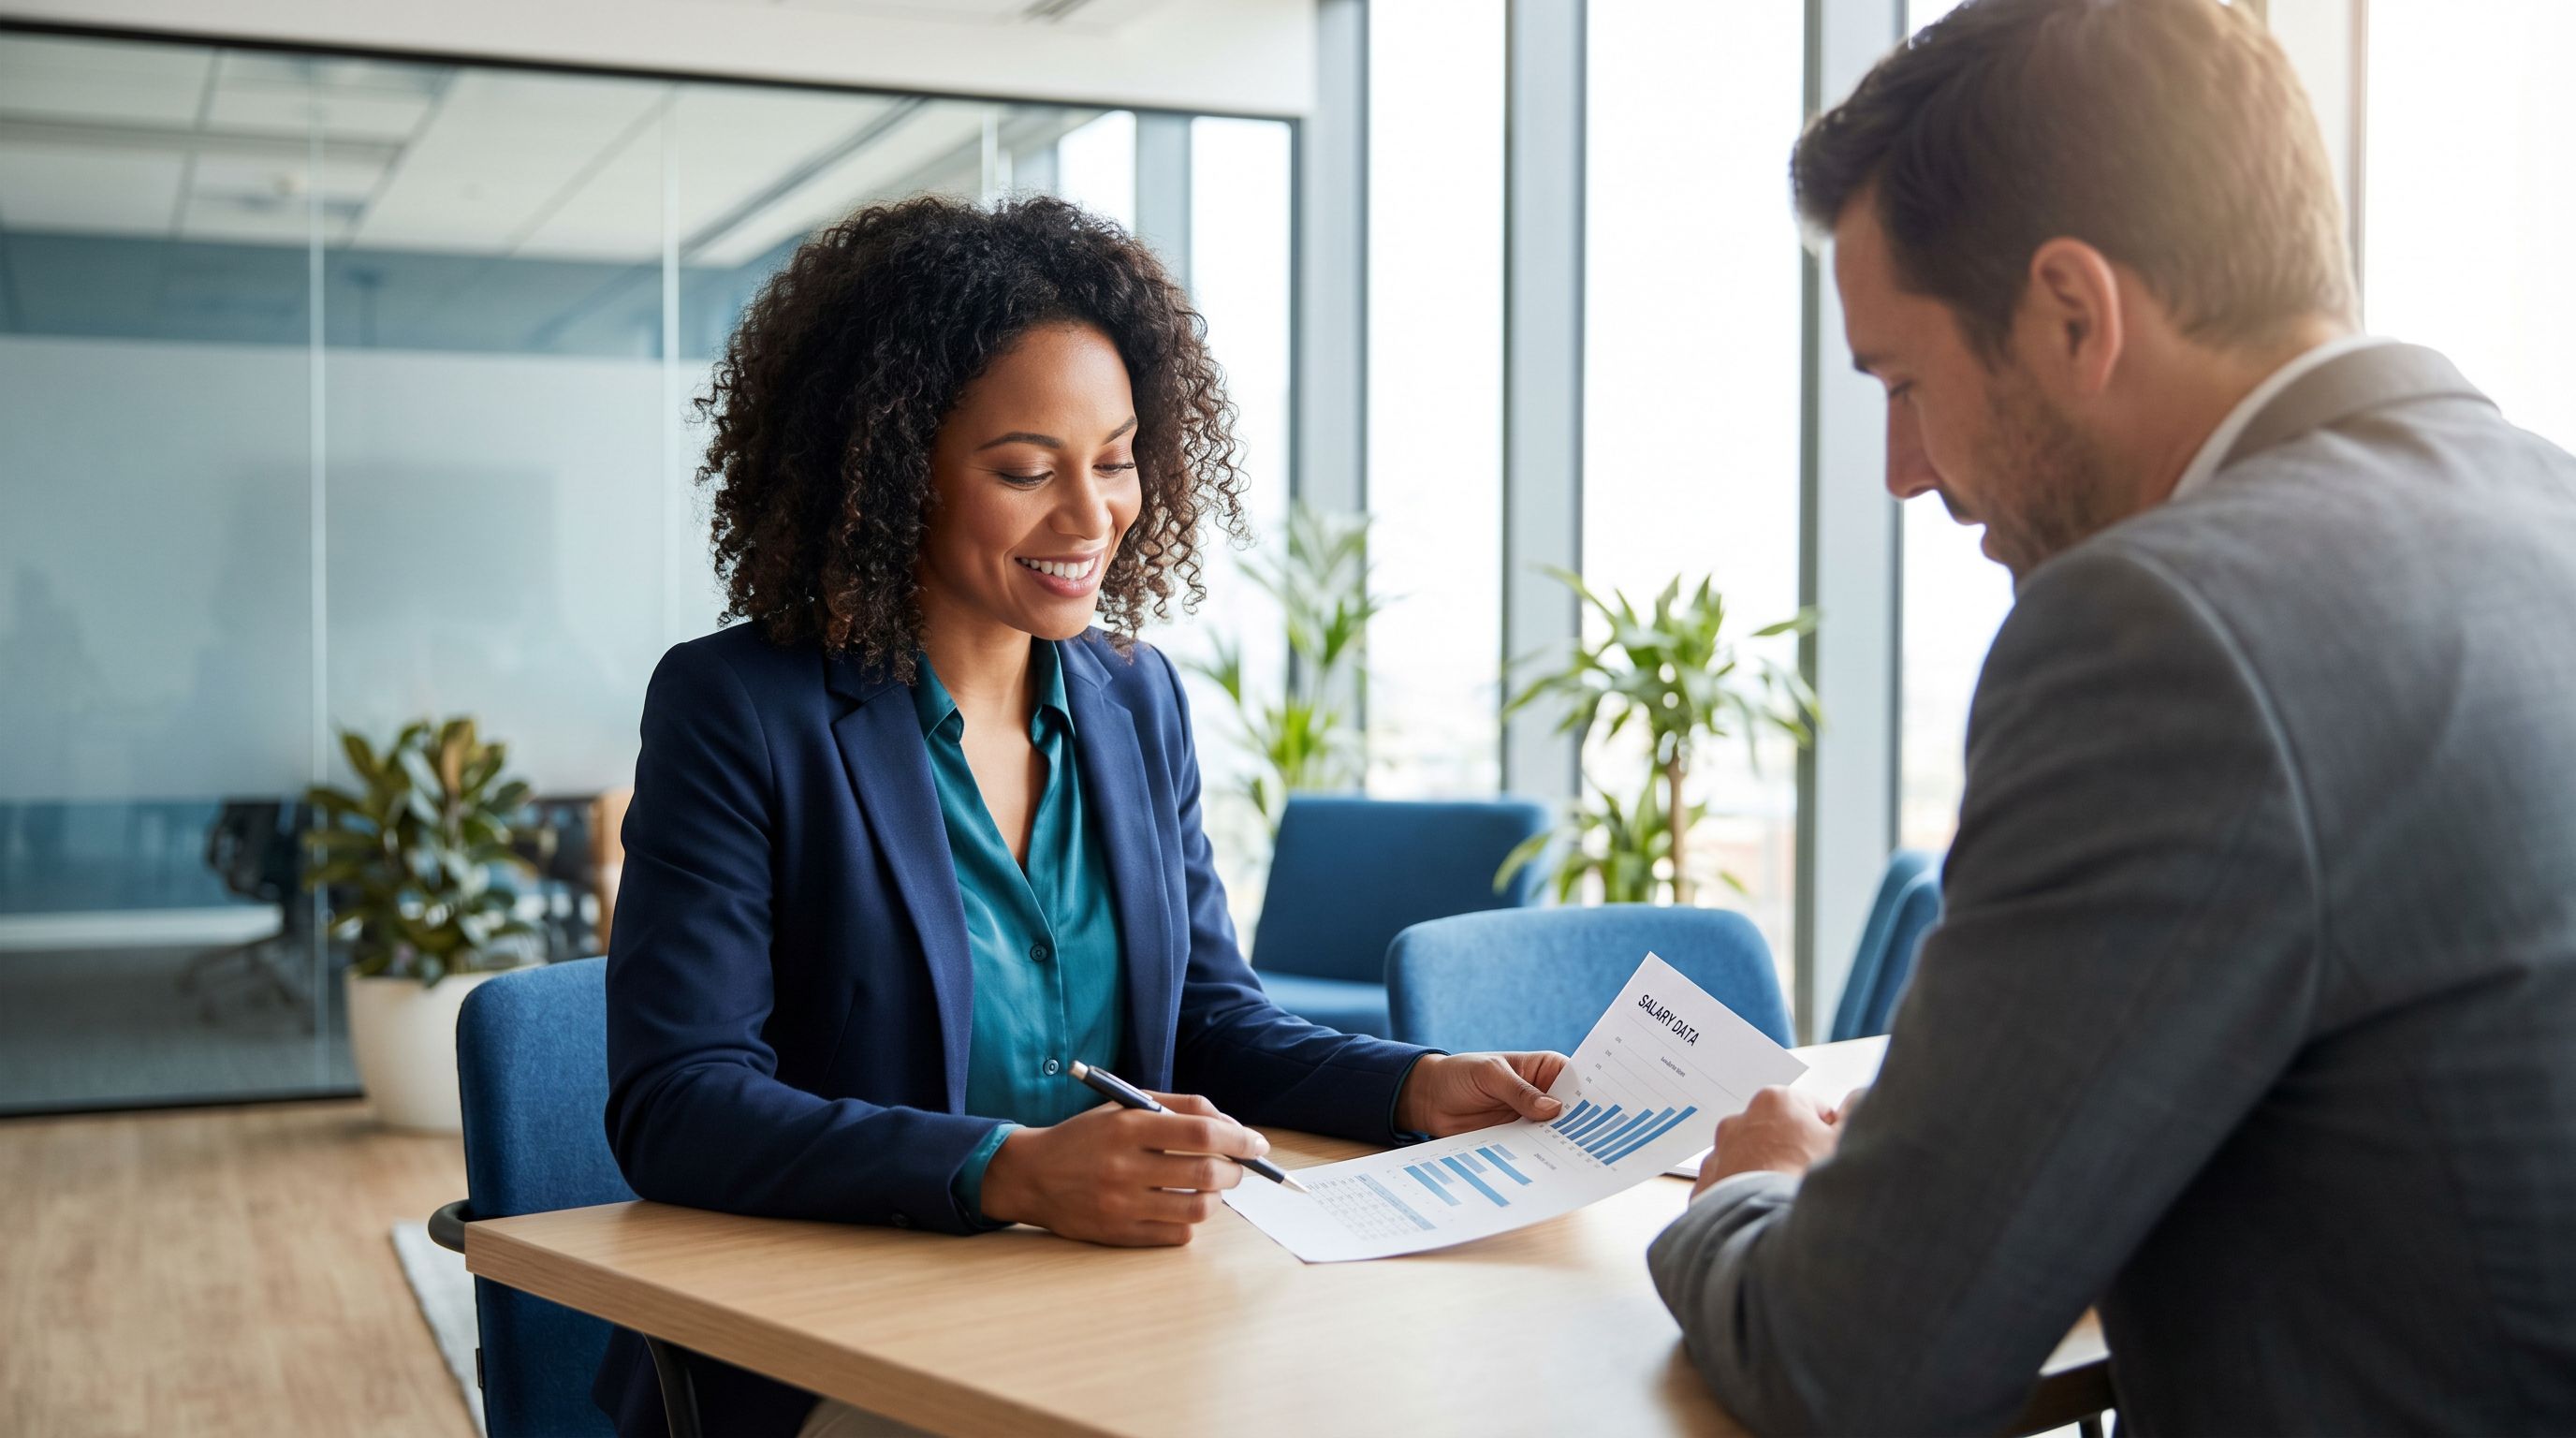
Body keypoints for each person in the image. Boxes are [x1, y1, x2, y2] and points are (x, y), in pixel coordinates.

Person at [1647, 0, 2576, 1431]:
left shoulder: (2169, 634)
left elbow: (1848, 1368)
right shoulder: (2542, 514)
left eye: (1904, 381)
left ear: (2075, 314)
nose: (1904, 471)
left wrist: (1759, 1187)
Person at [595, 194, 1568, 1438]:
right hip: (847, 1356)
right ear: (890, 470)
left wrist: (1417, 1086)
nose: (1090, 516)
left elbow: (1209, 1022)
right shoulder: (740, 709)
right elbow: (679, 1102)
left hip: (1122, 1321)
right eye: (1023, 470)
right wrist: (1008, 1170)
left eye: (1113, 460)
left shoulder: (1133, 698)